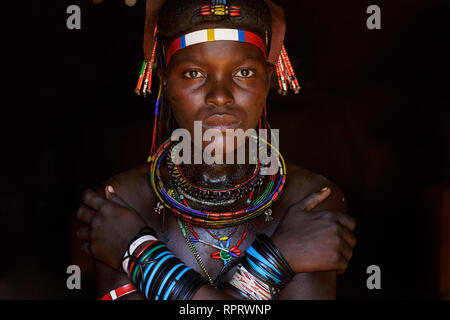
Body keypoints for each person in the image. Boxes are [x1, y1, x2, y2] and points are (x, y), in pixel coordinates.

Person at [75, 0, 356, 300]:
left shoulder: (310, 200)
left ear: (268, 80)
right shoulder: (120, 202)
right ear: (165, 82)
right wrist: (275, 261)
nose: (220, 97)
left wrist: (139, 251)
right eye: (194, 73)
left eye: (244, 73)